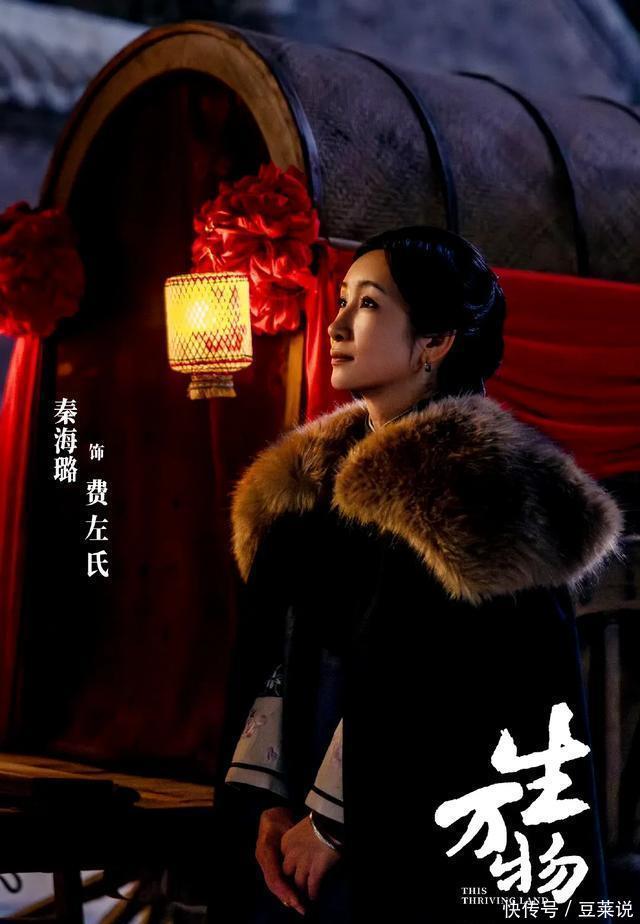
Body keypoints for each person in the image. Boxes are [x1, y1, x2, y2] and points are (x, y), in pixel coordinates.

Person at [208, 226, 624, 923]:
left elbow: (462, 699)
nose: (337, 325)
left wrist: (333, 821)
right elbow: (278, 656)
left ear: (435, 341)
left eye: (369, 304)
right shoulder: (306, 494)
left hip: (422, 842)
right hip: (295, 819)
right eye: (343, 299)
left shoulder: (485, 494)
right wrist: (269, 803)